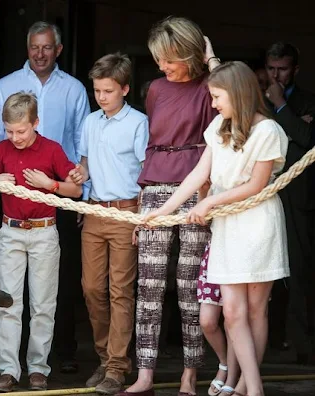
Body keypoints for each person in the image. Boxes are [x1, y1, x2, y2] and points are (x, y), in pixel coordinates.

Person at [144, 60, 290, 396]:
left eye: (217, 96)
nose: (213, 104)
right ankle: (254, 388)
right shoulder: (217, 128)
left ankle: (246, 388)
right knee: (232, 312)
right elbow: (198, 175)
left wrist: (210, 203)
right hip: (227, 227)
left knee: (255, 310)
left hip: (257, 224)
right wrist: (163, 211)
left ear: (237, 95)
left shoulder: (268, 131)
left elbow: (257, 184)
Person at [0, 21, 90, 373]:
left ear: (57, 49)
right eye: (34, 47)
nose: (40, 54)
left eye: (46, 47)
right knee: (10, 300)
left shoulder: (72, 90)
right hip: (13, 221)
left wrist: (67, 187)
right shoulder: (6, 90)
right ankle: (8, 368)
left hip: (54, 208)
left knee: (51, 294)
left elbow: (83, 141)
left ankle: (50, 361)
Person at [118, 16, 219, 396]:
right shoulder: (157, 89)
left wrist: (213, 60)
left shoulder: (211, 86)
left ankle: (190, 374)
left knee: (190, 284)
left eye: (169, 59)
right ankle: (144, 374)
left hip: (197, 187)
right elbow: (151, 144)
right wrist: (142, 200)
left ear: (188, 54)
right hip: (156, 186)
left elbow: (229, 108)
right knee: (149, 284)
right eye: (158, 59)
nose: (162, 66)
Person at [0, 92, 82, 392]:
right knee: (8, 304)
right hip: (11, 231)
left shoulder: (52, 150)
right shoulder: (1, 149)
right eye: (9, 131)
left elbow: (76, 191)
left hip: (43, 232)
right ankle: (8, 370)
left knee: (42, 304)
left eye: (21, 131)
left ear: (36, 122)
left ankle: (38, 368)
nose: (14, 137)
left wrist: (49, 185)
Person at [70, 52, 148, 394]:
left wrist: (141, 219)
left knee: (120, 291)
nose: (101, 97)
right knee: (90, 288)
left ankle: (117, 366)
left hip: (126, 212)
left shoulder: (138, 123)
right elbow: (85, 164)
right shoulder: (90, 122)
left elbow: (146, 174)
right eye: (97, 90)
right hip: (93, 211)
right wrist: (79, 174)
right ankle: (105, 358)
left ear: (125, 89)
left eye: (108, 91)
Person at [263, 41, 315, 364]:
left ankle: (301, 345)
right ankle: (268, 341)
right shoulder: (254, 101)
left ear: (294, 69)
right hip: (261, 197)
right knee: (263, 271)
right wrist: (294, 122)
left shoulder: (309, 100)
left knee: (298, 270)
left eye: (282, 68)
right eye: (271, 68)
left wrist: (282, 106)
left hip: (297, 199)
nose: (276, 75)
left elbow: (306, 143)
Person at [197, 241, 240, 396]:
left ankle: (232, 377)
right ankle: (225, 364)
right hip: (215, 249)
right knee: (207, 321)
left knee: (233, 320)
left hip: (240, 248)